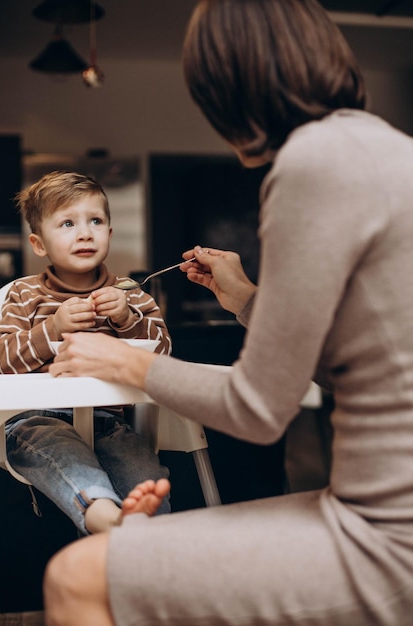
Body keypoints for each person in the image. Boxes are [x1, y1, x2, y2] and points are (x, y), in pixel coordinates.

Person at [44, 0, 413, 624]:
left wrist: (124, 362)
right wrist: (244, 299)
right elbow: (360, 362)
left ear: (225, 90)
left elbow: (259, 409)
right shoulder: (384, 150)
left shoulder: (311, 165)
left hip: (387, 535)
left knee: (77, 575)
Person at [0, 170, 171, 535]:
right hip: (38, 420)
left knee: (146, 479)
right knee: (69, 462)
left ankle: (148, 546)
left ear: (109, 233)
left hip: (112, 423)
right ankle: (106, 518)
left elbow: (164, 357)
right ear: (38, 243)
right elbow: (0, 360)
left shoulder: (132, 296)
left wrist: (126, 317)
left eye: (95, 221)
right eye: (67, 223)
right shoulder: (24, 296)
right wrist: (52, 328)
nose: (85, 232)